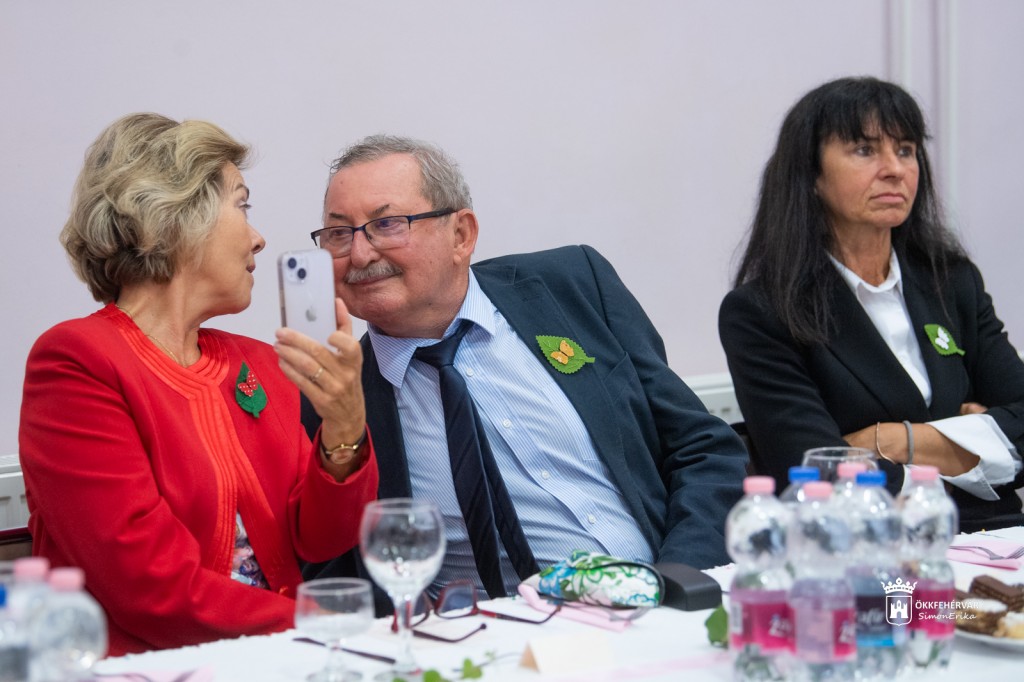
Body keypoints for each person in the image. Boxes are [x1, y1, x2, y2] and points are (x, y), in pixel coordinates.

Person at [301, 134, 748, 606]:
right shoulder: (335, 405)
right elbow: (335, 569)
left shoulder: (571, 286)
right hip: (503, 637)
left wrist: (673, 584)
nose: (360, 255)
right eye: (339, 234)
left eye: (387, 224)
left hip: (668, 598)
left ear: (461, 234)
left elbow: (702, 449)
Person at [18, 113, 379, 656]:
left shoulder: (257, 362)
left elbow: (325, 538)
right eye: (241, 205)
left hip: (276, 655)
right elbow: (149, 587)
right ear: (173, 217)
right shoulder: (76, 361)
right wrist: (323, 625)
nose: (258, 238)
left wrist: (344, 423)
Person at [719, 76, 1024, 531]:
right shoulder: (762, 312)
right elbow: (817, 473)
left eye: (905, 150)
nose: (895, 169)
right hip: (868, 546)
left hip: (999, 535)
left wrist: (892, 440)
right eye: (865, 150)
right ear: (811, 176)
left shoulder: (951, 280)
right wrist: (973, 443)